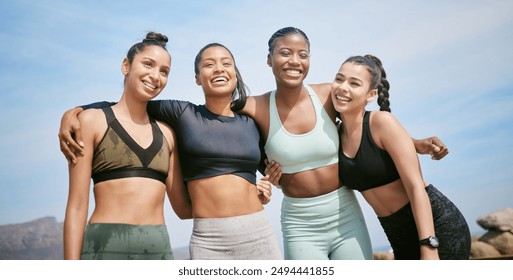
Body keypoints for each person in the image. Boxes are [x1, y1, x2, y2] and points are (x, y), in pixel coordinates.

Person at [239, 27, 449, 260]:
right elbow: (220, 116)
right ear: (269, 59)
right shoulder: (253, 106)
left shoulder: (328, 95)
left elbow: (363, 124)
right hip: (300, 224)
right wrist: (262, 174)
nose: (294, 61)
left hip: (346, 216)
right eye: (285, 53)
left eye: (303, 54)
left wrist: (414, 143)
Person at [59, 43, 282, 260]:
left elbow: (277, 175)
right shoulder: (182, 114)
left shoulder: (251, 122)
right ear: (197, 78)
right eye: (208, 64)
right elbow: (131, 104)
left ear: (236, 72)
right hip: (208, 240)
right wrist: (75, 112)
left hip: (257, 231)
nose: (219, 69)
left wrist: (261, 188)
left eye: (226, 63)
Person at [331, 54, 471, 259]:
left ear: (370, 95)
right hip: (396, 233)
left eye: (354, 83)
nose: (343, 87)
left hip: (436, 227)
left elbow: (416, 188)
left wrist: (429, 246)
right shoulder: (334, 133)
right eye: (339, 79)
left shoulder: (382, 122)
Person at [63, 32, 182, 260]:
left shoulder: (167, 134)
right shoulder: (91, 122)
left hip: (158, 252)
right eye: (148, 64)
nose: (155, 76)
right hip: (105, 248)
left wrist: (244, 192)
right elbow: (77, 206)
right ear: (126, 66)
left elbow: (183, 207)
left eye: (164, 71)